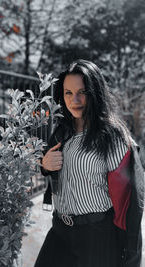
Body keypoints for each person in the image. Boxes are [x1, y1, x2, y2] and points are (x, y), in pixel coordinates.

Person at [34, 59, 144, 267]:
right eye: (68, 93)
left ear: (95, 92)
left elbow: (131, 197)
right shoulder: (61, 131)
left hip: (97, 236)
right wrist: (45, 164)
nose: (74, 100)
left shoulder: (112, 136)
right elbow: (46, 164)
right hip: (60, 230)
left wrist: (130, 252)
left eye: (82, 92)